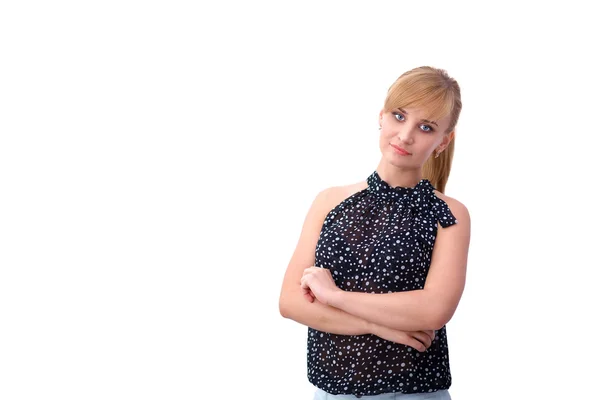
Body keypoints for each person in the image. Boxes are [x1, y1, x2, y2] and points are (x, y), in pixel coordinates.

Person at [279, 66, 471, 400]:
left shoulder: (449, 214)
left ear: (443, 140)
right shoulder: (329, 201)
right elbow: (290, 302)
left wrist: (335, 297)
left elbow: (434, 310)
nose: (405, 135)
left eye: (425, 127)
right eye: (399, 116)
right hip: (330, 391)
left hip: (412, 391)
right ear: (381, 116)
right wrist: (377, 326)